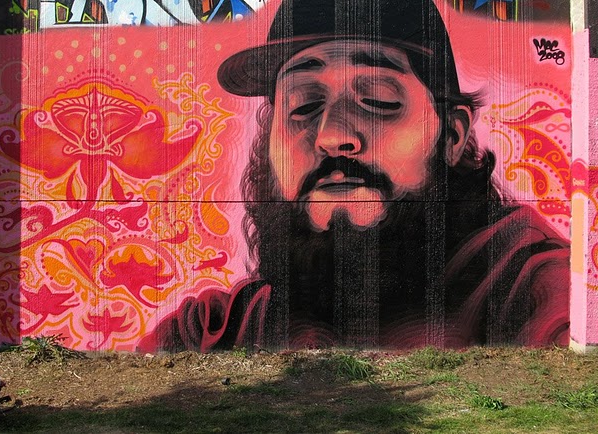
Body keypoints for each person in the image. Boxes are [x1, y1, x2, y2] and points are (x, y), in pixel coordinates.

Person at [139, 0, 570, 353]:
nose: (332, 136)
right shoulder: (220, 327)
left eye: (378, 99)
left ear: (452, 136)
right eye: (303, 105)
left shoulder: (528, 285)